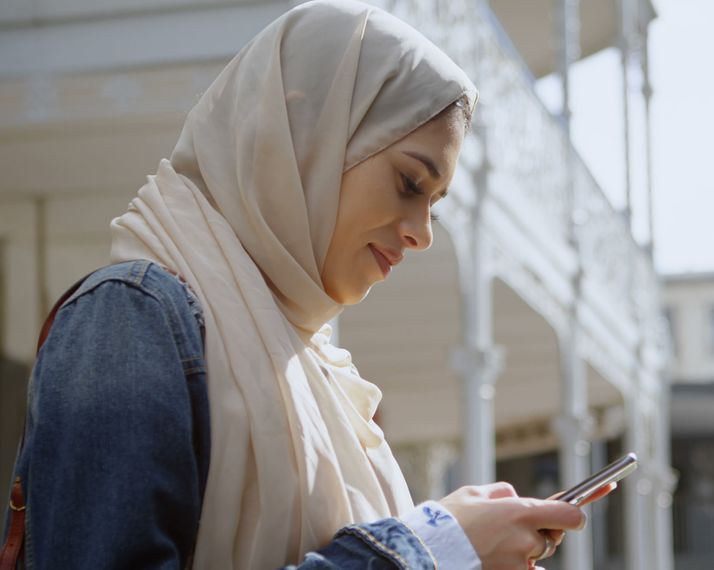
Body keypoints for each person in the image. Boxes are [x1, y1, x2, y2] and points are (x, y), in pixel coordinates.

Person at [0, 1, 611, 568]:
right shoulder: (130, 318)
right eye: (409, 183)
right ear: (304, 134)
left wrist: (456, 546)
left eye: (436, 204)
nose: (423, 233)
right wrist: (432, 547)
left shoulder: (323, 375)